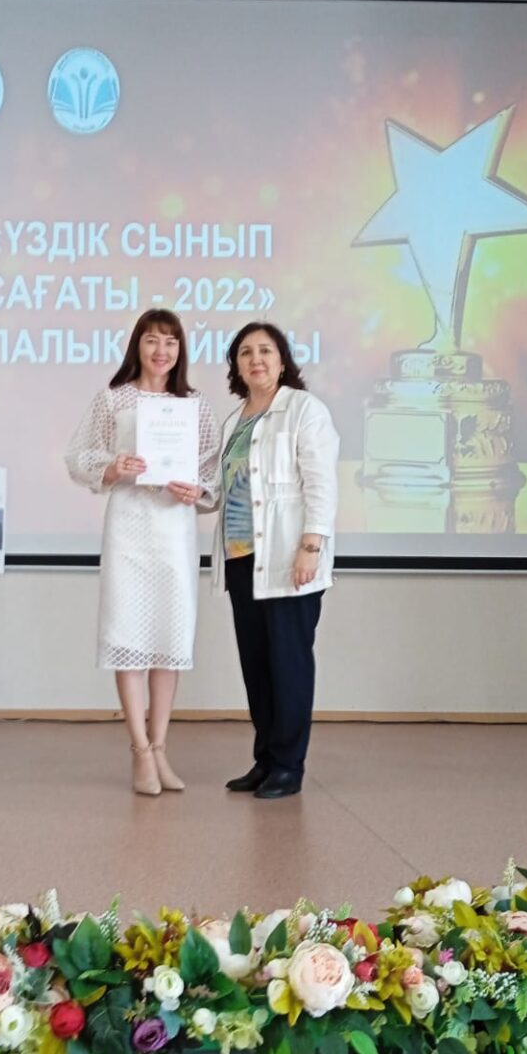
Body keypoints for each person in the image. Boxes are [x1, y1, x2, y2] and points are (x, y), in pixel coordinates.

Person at [66, 310, 218, 796]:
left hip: (173, 529)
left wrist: (199, 490)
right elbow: (79, 456)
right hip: (129, 526)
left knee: (170, 638)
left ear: (180, 350)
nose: (161, 351)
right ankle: (138, 750)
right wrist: (114, 467)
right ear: (138, 345)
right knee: (128, 634)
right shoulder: (114, 398)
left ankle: (160, 747)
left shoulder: (194, 404)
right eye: (152, 341)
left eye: (171, 342)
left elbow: (212, 468)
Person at [214, 323, 339, 801]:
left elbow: (321, 484)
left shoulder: (304, 410)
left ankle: (289, 765)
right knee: (257, 666)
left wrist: (311, 546)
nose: (256, 359)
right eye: (245, 352)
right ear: (236, 365)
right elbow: (225, 488)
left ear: (282, 361)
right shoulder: (235, 420)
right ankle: (265, 759)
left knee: (288, 664)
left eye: (265, 350)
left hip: (288, 557)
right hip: (241, 559)